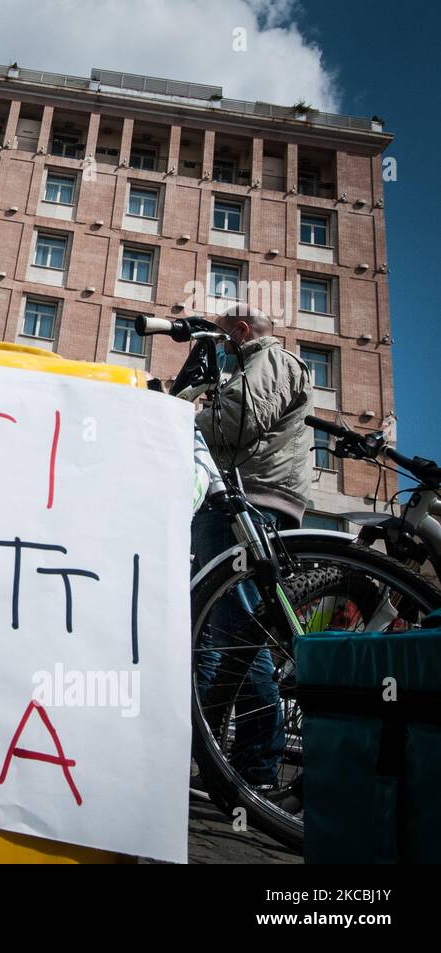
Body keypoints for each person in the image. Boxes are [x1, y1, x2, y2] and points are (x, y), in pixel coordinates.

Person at [192, 303, 313, 788]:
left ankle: (253, 769)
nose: (221, 350)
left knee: (241, 637)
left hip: (249, 499)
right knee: (234, 633)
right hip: (261, 497)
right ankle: (231, 761)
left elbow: (235, 425)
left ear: (241, 332)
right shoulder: (275, 364)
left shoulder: (265, 359)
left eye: (223, 340)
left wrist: (182, 414)